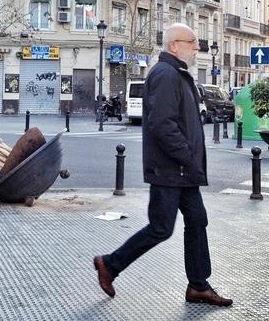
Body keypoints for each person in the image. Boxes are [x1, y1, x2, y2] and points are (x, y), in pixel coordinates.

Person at [93, 24, 233, 307]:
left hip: (183, 170)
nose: (197, 47)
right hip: (170, 169)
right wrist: (187, 156)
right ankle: (110, 264)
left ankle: (198, 285)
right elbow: (162, 125)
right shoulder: (166, 74)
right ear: (174, 45)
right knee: (161, 227)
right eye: (192, 42)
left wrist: (190, 161)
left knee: (197, 221)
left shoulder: (177, 73)